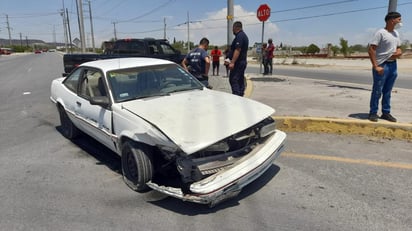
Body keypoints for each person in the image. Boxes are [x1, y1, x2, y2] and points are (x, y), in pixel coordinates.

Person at [367, 11, 402, 122]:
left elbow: (399, 48)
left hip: (393, 65)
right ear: (392, 20)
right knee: (377, 90)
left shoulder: (396, 33)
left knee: (388, 91)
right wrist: (376, 66)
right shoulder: (380, 33)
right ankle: (373, 112)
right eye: (399, 19)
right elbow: (371, 49)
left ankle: (386, 112)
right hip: (382, 65)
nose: (400, 22)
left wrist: (399, 52)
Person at [227, 21, 249, 96]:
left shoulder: (240, 36)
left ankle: (236, 96)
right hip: (240, 62)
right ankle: (240, 95)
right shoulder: (242, 36)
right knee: (239, 80)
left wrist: (232, 62)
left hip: (238, 63)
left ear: (236, 27)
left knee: (234, 79)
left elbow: (237, 49)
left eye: (233, 28)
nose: (232, 30)